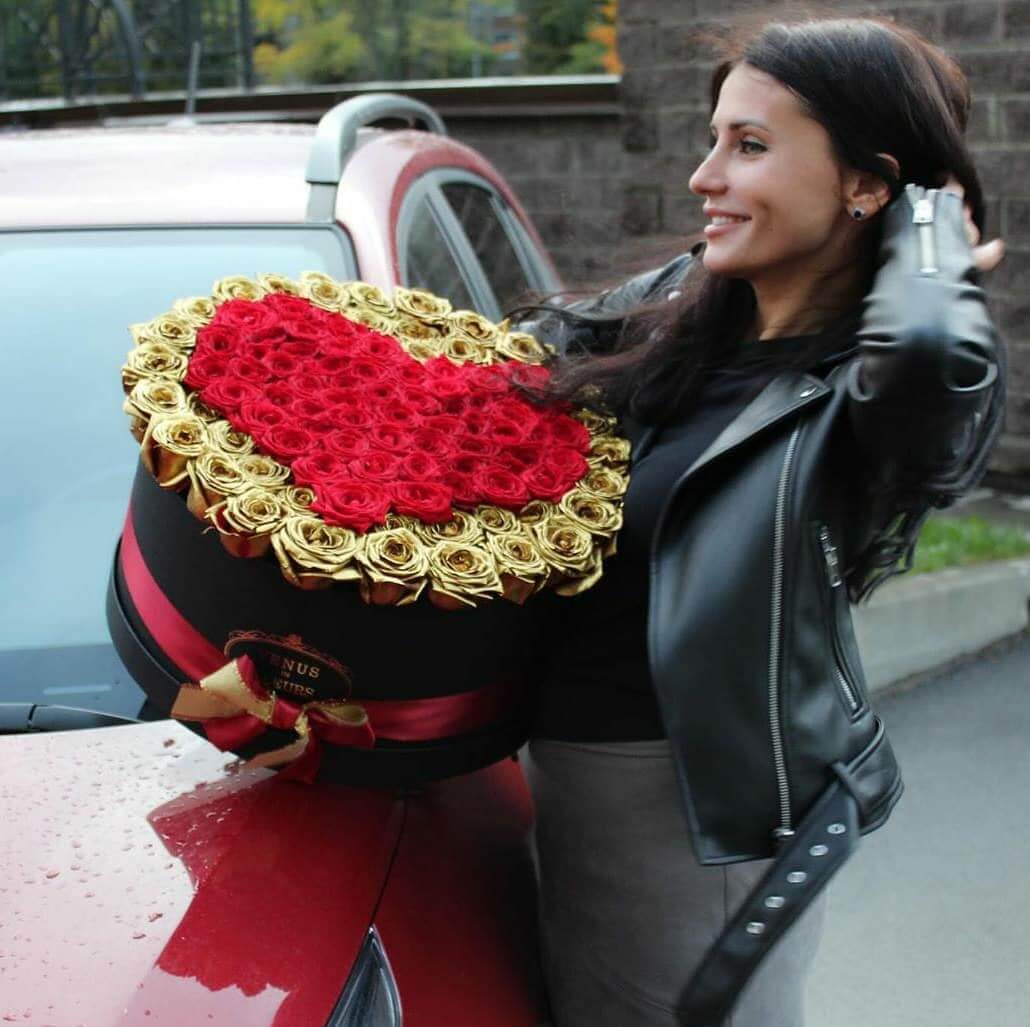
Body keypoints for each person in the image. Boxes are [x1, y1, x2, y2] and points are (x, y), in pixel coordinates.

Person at [513, 15, 1006, 1027]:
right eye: (714, 140)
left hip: (681, 822)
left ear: (866, 184)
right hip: (556, 776)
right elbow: (502, 364)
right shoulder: (689, 306)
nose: (705, 176)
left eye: (748, 146)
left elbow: (925, 349)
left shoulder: (866, 389)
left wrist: (930, 241)